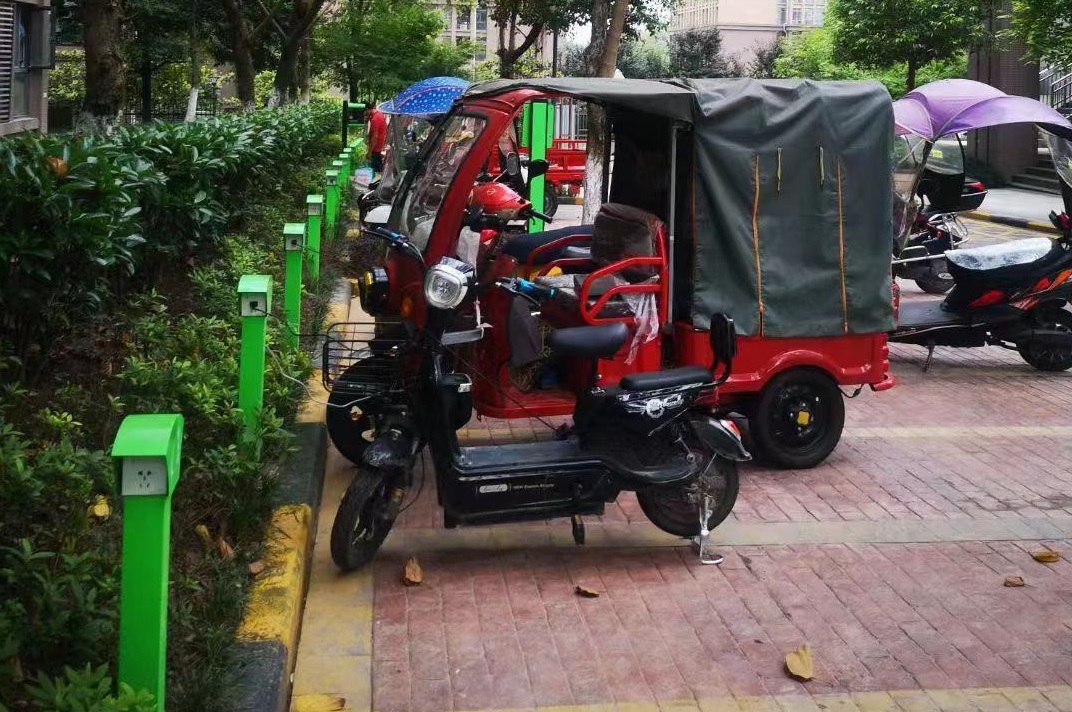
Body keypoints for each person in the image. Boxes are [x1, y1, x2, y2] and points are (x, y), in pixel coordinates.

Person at [366, 105, 388, 175]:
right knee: (379, 166)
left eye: (365, 112)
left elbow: (374, 137)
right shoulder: (380, 114)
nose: (365, 114)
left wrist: (369, 152)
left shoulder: (374, 119)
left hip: (375, 147)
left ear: (368, 109)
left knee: (375, 169)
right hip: (379, 145)